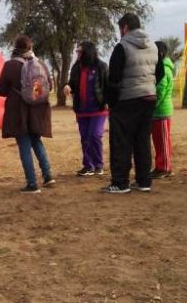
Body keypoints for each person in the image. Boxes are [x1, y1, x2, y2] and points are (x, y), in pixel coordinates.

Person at [102, 13, 157, 194]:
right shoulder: (153, 46)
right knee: (142, 140)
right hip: (149, 97)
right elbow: (161, 72)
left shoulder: (122, 46)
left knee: (121, 142)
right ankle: (144, 180)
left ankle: (120, 182)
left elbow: (114, 78)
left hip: (126, 100)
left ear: (124, 27)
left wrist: (111, 101)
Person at [0, 34, 55, 193]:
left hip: (18, 111)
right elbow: (49, 86)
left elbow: (0, 90)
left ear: (15, 47)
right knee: (36, 141)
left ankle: (32, 183)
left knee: (24, 145)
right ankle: (48, 176)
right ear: (30, 47)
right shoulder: (40, 64)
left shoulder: (10, 65)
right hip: (37, 110)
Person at [63, 41, 108, 176]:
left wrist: (107, 101)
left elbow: (107, 85)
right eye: (77, 51)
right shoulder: (76, 68)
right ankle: (88, 166)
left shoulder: (101, 67)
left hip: (98, 108)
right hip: (82, 109)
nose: (77, 54)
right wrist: (67, 86)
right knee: (85, 138)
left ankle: (98, 165)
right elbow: (72, 83)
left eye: (80, 51)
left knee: (94, 135)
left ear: (87, 52)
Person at [150, 41, 175, 179]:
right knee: (159, 141)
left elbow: (160, 90)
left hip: (161, 111)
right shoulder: (161, 67)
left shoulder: (164, 69)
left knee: (163, 141)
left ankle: (165, 167)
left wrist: (152, 106)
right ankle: (161, 166)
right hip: (157, 112)